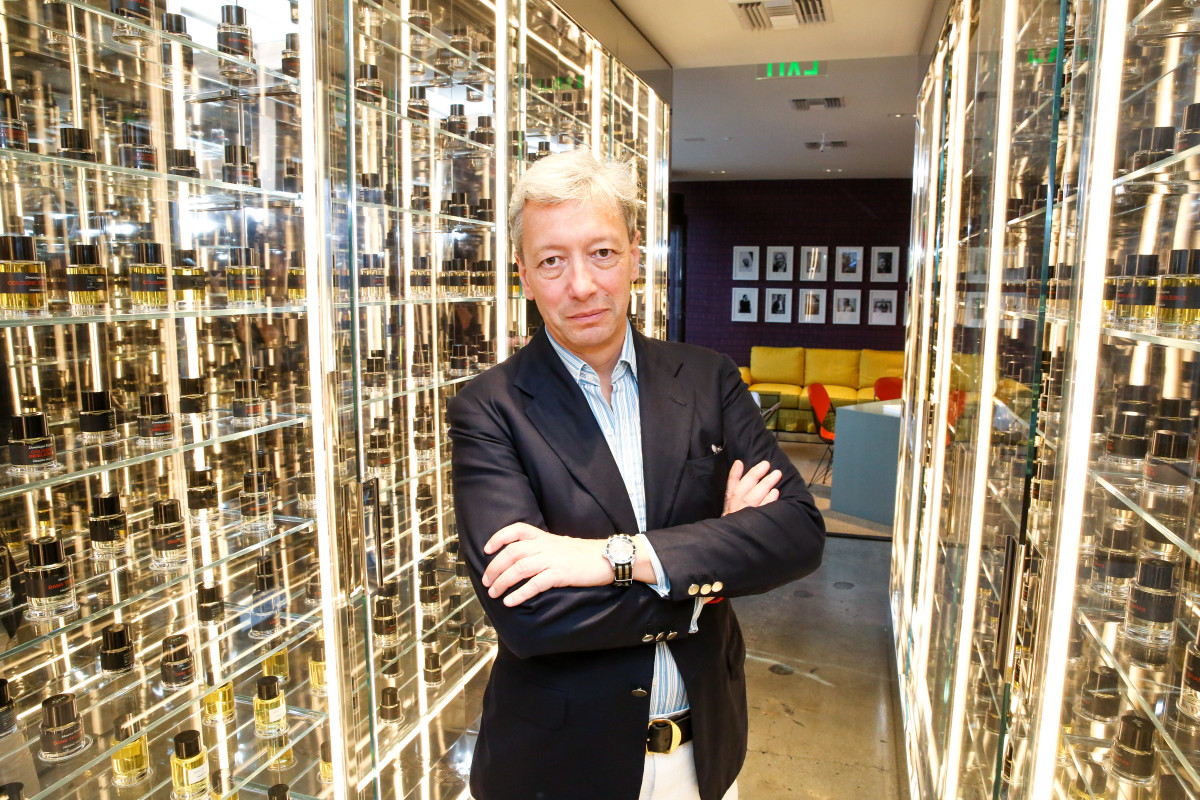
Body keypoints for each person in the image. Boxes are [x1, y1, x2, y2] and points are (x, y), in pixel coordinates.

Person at [448, 149, 825, 800]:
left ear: (635, 255)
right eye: (552, 261)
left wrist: (612, 558)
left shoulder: (709, 379)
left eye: (601, 253)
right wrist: (709, 574)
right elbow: (530, 615)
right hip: (560, 769)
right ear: (524, 275)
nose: (583, 286)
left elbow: (798, 531)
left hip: (703, 749)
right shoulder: (489, 408)